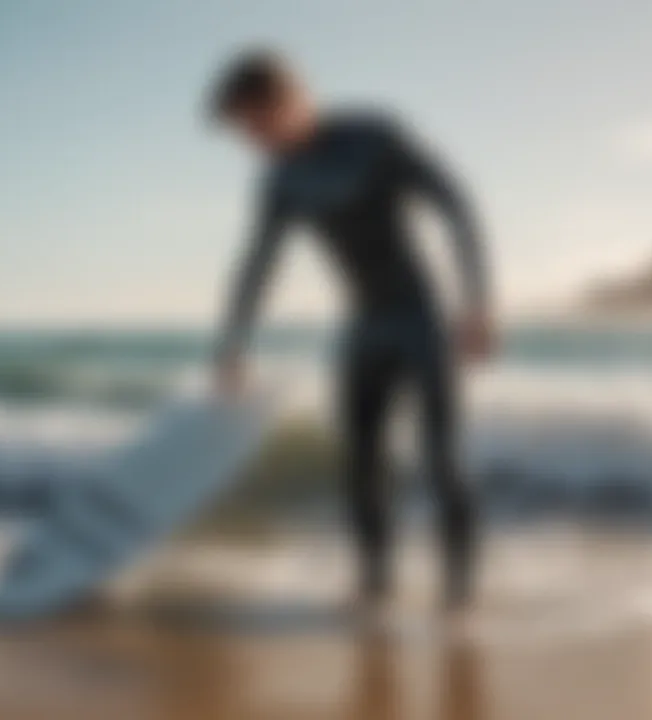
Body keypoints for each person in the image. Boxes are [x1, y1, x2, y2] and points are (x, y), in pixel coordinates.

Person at [208, 49, 494, 613]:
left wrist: (477, 302)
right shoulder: (281, 181)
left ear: (288, 101)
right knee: (360, 460)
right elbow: (257, 264)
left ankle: (459, 594)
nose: (253, 140)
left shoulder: (375, 137)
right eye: (243, 131)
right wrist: (233, 343)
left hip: (421, 321)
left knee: (441, 458)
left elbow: (457, 205)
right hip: (363, 326)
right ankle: (375, 583)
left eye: (256, 123)